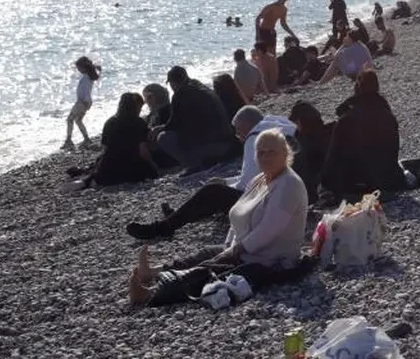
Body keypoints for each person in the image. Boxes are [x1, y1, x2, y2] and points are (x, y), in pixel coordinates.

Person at [127, 129, 310, 307]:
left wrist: (234, 251)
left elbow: (268, 231)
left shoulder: (289, 185)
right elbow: (239, 213)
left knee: (208, 270)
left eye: (271, 152)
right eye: (260, 152)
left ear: (285, 153)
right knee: (205, 254)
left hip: (270, 260)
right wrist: (229, 246)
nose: (265, 157)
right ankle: (153, 273)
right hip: (246, 251)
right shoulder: (260, 180)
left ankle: (151, 294)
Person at [127, 106, 298, 240]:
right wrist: (227, 181)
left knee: (212, 191)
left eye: (238, 130)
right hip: (291, 191)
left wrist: (222, 185)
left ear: (246, 126)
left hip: (274, 202)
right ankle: (179, 216)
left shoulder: (255, 139)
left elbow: (247, 185)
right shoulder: (280, 127)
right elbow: (257, 175)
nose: (237, 135)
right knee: (217, 190)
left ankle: (163, 227)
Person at [321, 68, 405, 202]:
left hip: (353, 183)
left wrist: (327, 181)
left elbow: (333, 156)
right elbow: (393, 151)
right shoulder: (388, 116)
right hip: (386, 180)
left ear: (357, 88)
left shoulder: (347, 118)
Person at [153, 66, 234, 173]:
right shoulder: (202, 87)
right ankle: (204, 160)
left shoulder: (180, 94)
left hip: (213, 146)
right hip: (227, 141)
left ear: (173, 83)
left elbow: (174, 124)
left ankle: (192, 164)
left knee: (163, 137)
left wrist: (158, 129)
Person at [74, 93, 160, 189]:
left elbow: (105, 149)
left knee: (102, 169)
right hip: (131, 169)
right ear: (135, 107)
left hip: (108, 170)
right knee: (151, 172)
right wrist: (154, 164)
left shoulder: (110, 122)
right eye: (139, 108)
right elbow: (143, 151)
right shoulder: (139, 123)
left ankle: (89, 180)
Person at [289, 99, 330, 195]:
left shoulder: (302, 144)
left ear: (301, 122)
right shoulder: (329, 132)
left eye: (297, 122)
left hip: (314, 191)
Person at [63, 56, 101, 150]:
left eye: (79, 68)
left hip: (82, 102)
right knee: (78, 120)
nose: (78, 70)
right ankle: (86, 139)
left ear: (84, 67)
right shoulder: (88, 76)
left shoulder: (87, 76)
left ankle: (69, 141)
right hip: (85, 102)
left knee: (69, 119)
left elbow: (86, 90)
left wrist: (84, 103)